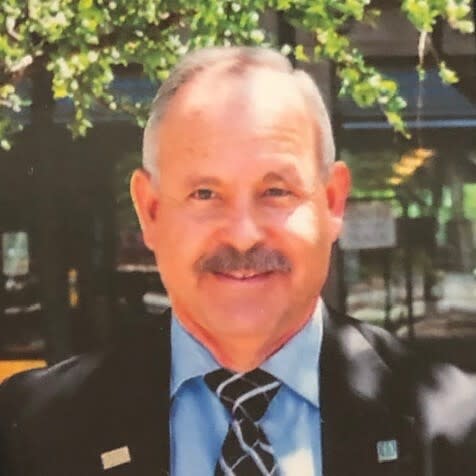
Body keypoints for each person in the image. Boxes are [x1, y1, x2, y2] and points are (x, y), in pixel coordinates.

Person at [0, 46, 475, 476]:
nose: (243, 234)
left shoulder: (460, 425)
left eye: (276, 191)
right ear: (151, 211)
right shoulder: (28, 432)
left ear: (332, 202)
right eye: (205, 193)